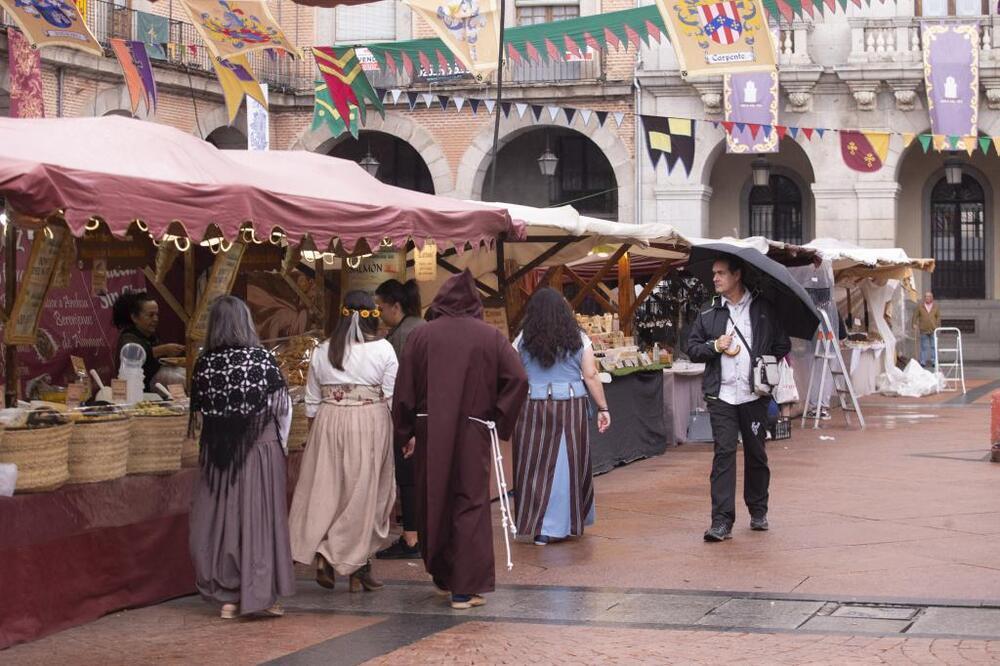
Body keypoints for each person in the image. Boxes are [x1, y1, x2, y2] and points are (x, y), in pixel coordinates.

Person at [392, 270, 528, 611]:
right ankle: (464, 590)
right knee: (469, 502)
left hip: (429, 429)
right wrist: (497, 419)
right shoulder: (489, 336)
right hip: (472, 429)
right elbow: (518, 378)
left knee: (432, 498)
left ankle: (441, 574)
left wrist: (405, 432)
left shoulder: (421, 337)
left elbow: (403, 390)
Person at [188, 296, 295, 619]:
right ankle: (259, 594)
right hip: (260, 450)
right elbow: (282, 408)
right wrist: (281, 446)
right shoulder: (261, 360)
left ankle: (227, 597)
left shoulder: (205, 362)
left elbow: (200, 412)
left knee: (222, 522)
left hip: (218, 455)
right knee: (259, 522)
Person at [288, 290, 398, 593]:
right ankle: (332, 553)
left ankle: (358, 567)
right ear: (372, 316)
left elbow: (311, 400)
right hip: (368, 420)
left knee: (329, 492)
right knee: (365, 495)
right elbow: (391, 397)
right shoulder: (384, 350)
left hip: (327, 421)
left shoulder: (323, 350)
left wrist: (318, 432)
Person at [686, 257, 790, 543]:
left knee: (757, 453)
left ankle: (758, 510)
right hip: (721, 395)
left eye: (721, 273)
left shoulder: (763, 309)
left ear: (737, 275)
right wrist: (715, 346)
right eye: (714, 273)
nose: (715, 278)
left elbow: (783, 344)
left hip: (753, 394)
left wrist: (762, 362)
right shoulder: (708, 312)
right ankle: (721, 521)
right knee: (724, 454)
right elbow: (692, 348)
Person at [512, 288, 610, 546]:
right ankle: (564, 523)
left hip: (531, 406)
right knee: (566, 464)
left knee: (533, 465)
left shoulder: (523, 338)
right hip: (570, 406)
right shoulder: (578, 337)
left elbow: (513, 373)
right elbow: (590, 375)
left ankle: (539, 526)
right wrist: (603, 408)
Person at [374, 279, 425, 561]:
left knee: (408, 478)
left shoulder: (405, 335)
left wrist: (407, 424)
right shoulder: (419, 326)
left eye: (380, 307)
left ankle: (410, 539)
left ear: (395, 306)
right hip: (423, 414)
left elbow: (402, 384)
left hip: (409, 414)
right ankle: (418, 533)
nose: (379, 313)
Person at [112, 292, 185, 391]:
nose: (155, 319)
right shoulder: (128, 339)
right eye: (150, 315)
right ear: (134, 317)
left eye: (156, 314)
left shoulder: (151, 336)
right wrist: (163, 349)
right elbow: (136, 355)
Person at [915, 291, 941, 368]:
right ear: (924, 298)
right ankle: (923, 361)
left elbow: (938, 317)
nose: (927, 298)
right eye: (926, 296)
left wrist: (937, 324)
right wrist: (914, 324)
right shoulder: (920, 306)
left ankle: (934, 361)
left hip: (933, 329)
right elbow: (915, 315)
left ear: (932, 298)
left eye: (929, 296)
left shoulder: (936, 307)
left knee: (933, 346)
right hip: (923, 329)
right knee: (924, 346)